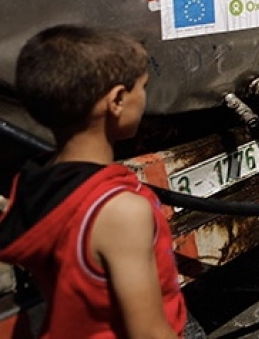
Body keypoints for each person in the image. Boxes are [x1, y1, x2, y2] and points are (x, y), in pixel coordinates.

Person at [0, 25, 189, 338]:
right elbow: (149, 334)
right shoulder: (120, 211)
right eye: (142, 87)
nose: (144, 98)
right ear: (116, 100)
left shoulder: (36, 180)